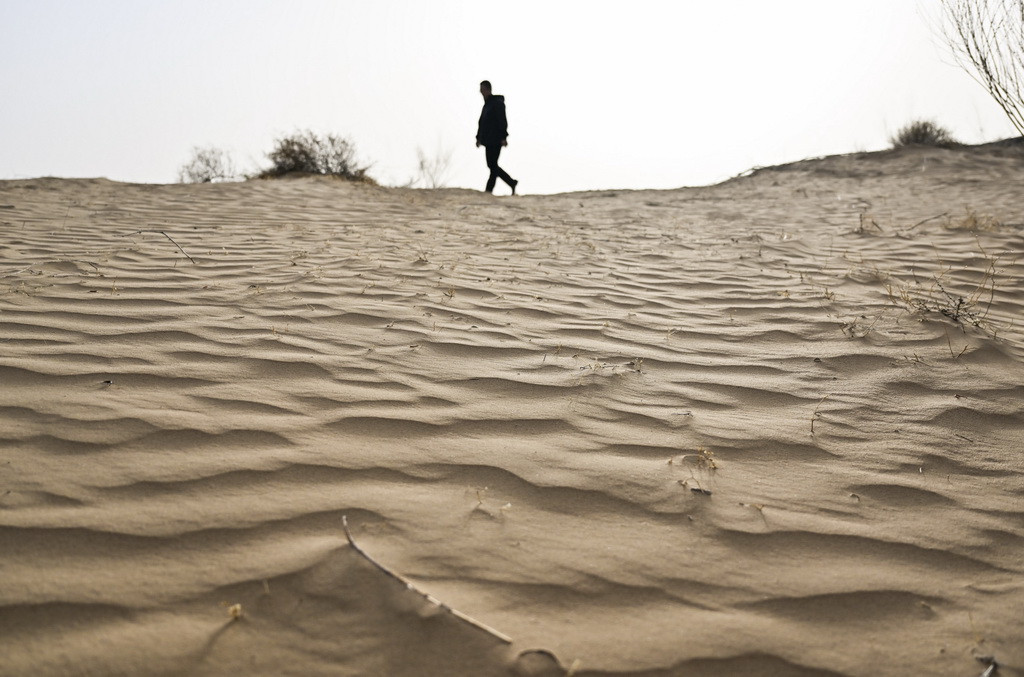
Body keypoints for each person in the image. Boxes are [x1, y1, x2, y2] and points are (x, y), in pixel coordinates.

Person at [476, 80, 518, 195]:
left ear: (487, 89)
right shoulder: (487, 105)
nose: (480, 91)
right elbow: (482, 123)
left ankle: (489, 190)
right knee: (491, 165)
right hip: (488, 140)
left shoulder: (497, 103)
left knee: (493, 165)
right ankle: (511, 182)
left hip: (496, 139)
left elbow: (502, 121)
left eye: (482, 89)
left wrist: (503, 137)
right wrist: (478, 138)